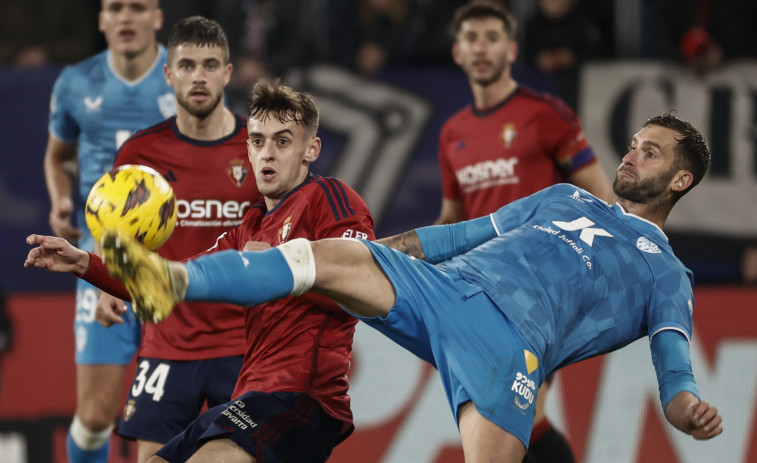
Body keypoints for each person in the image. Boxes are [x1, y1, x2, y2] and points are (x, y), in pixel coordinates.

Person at [79, 112, 723, 462]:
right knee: (320, 257)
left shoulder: (667, 272)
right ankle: (171, 278)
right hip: (445, 288)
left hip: (511, 346)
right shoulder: (559, 197)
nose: (632, 156)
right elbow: (456, 237)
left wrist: (686, 410)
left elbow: (674, 372)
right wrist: (370, 257)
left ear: (680, 182)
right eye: (635, 144)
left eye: (652, 153)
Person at [26, 78, 375, 462]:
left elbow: (362, 292)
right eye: (258, 141)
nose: (267, 154)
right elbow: (165, 281)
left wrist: (281, 271)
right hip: (252, 397)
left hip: (301, 399)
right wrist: (84, 263)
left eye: (282, 140)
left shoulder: (332, 199)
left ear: (311, 149)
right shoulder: (249, 227)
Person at [438, 1, 613, 459]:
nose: (481, 48)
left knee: (519, 414)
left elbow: (602, 200)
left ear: (512, 49)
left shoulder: (547, 114)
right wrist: (404, 255)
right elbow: (451, 219)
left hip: (538, 290)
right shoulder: (452, 133)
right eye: (471, 39)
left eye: (492, 38)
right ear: (456, 52)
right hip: (478, 295)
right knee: (515, 423)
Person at [91, 16, 262, 463]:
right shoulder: (139, 154)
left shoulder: (259, 147)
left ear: (228, 72)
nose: (198, 77)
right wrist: (110, 282)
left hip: (245, 345)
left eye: (210, 65)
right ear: (169, 74)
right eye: (186, 65)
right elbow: (114, 233)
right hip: (167, 344)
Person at [42, 1, 174, 461]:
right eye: (115, 7)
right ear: (101, 20)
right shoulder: (76, 82)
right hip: (101, 255)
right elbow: (58, 157)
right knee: (97, 415)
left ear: (157, 18)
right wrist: (62, 200)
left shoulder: (183, 78)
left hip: (170, 261)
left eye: (138, 7)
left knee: (170, 416)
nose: (125, 17)